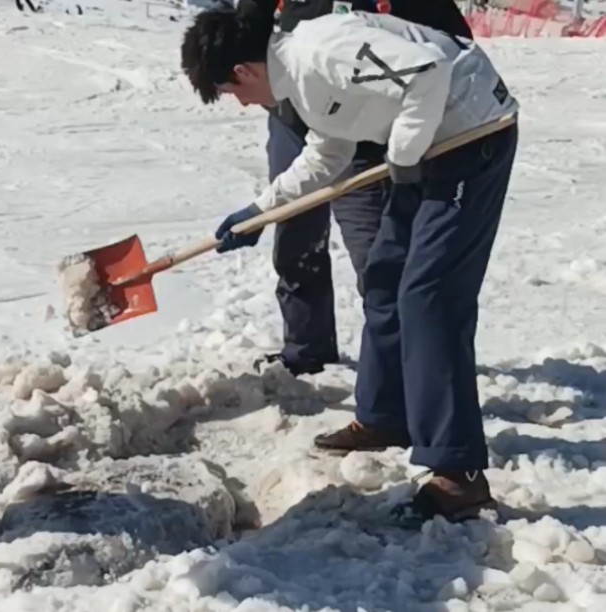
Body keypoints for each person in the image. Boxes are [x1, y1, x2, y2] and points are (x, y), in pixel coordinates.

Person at [181, 5, 518, 521]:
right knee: (385, 279)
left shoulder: (322, 50)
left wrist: (404, 155)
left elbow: (427, 69)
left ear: (244, 71)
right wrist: (259, 212)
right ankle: (387, 415)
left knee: (429, 296)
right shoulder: (301, 78)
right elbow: (328, 154)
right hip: (429, 145)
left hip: (472, 136)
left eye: (232, 91)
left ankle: (459, 472)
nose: (242, 103)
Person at [241, 0, 474, 377]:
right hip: (291, 114)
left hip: (364, 129)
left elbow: (446, 45)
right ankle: (306, 347)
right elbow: (246, 27)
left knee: (376, 255)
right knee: (296, 237)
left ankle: (399, 366)